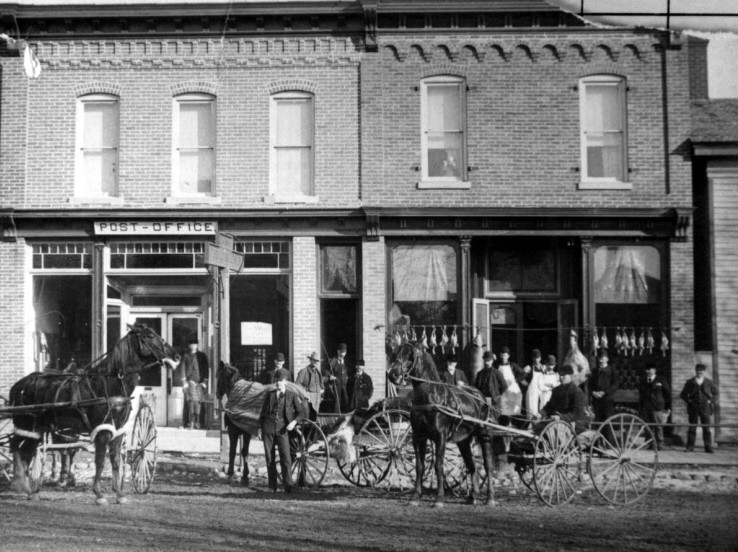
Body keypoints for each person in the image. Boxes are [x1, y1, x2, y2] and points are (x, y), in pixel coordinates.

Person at [259, 368, 307, 492]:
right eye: (276, 380)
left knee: (286, 458)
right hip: (268, 429)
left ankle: (288, 486)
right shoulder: (269, 395)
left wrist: (294, 422)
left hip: (283, 430)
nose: (278, 383)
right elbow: (263, 414)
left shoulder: (292, 396)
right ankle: (272, 486)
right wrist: (260, 429)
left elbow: (301, 413)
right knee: (270, 459)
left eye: (280, 381)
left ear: (286, 382)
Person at [536, 364, 589, 434]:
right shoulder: (556, 390)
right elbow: (550, 406)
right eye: (560, 375)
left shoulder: (577, 392)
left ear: (571, 376)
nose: (561, 377)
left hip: (573, 424)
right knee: (537, 426)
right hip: (557, 422)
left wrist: (561, 418)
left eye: (564, 375)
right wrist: (541, 414)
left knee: (550, 431)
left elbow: (577, 413)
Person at [680, 364, 719, 453]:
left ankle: (708, 447)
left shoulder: (709, 382)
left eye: (701, 372)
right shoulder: (690, 382)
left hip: (705, 407)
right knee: (692, 427)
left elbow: (716, 394)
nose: (699, 373)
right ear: (695, 371)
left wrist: (710, 401)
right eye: (698, 372)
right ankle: (690, 447)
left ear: (704, 372)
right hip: (693, 407)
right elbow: (683, 394)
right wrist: (689, 401)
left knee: (706, 428)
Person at [639, 363, 671, 450]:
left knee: (658, 426)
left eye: (650, 369)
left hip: (657, 407)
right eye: (647, 370)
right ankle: (648, 443)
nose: (648, 371)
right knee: (647, 426)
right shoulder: (643, 380)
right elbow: (641, 394)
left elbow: (667, 393)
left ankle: (660, 444)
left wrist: (666, 407)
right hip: (646, 407)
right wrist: (642, 406)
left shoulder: (661, 380)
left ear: (654, 370)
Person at [590, 350, 619, 442]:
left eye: (602, 358)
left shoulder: (612, 371)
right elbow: (590, 384)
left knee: (607, 421)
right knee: (598, 421)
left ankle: (608, 443)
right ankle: (599, 443)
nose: (600, 361)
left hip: (607, 400)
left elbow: (615, 385)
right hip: (596, 400)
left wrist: (604, 392)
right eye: (599, 358)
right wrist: (593, 392)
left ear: (607, 359)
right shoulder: (594, 371)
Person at [182, 339, 209, 430]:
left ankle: (199, 423)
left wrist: (204, 382)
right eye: (191, 344)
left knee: (199, 403)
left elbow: (206, 369)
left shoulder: (202, 356)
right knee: (189, 404)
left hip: (199, 384)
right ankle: (189, 423)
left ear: (197, 345)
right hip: (189, 383)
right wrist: (184, 382)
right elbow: (183, 369)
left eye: (194, 344)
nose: (193, 346)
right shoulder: (186, 356)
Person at [526, 354, 560, 419]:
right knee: (544, 412)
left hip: (554, 397)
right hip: (545, 397)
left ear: (555, 365)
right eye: (549, 365)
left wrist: (550, 385)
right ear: (546, 364)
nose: (550, 367)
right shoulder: (541, 375)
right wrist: (552, 387)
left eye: (552, 365)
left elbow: (558, 386)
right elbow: (541, 387)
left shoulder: (556, 375)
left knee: (554, 413)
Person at [497, 346, 524, 420]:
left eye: (505, 355)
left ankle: (514, 423)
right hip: (503, 390)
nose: (503, 357)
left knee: (514, 409)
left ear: (508, 356)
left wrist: (516, 380)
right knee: (504, 409)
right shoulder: (497, 366)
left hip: (513, 389)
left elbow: (523, 373)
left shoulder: (512, 365)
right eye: (501, 355)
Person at [322, 343, 350, 413]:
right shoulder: (333, 360)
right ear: (338, 351)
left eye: (344, 352)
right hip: (335, 385)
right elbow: (325, 370)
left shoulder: (347, 362)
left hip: (345, 386)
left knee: (346, 401)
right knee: (336, 402)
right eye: (341, 352)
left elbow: (350, 372)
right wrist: (330, 376)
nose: (343, 354)